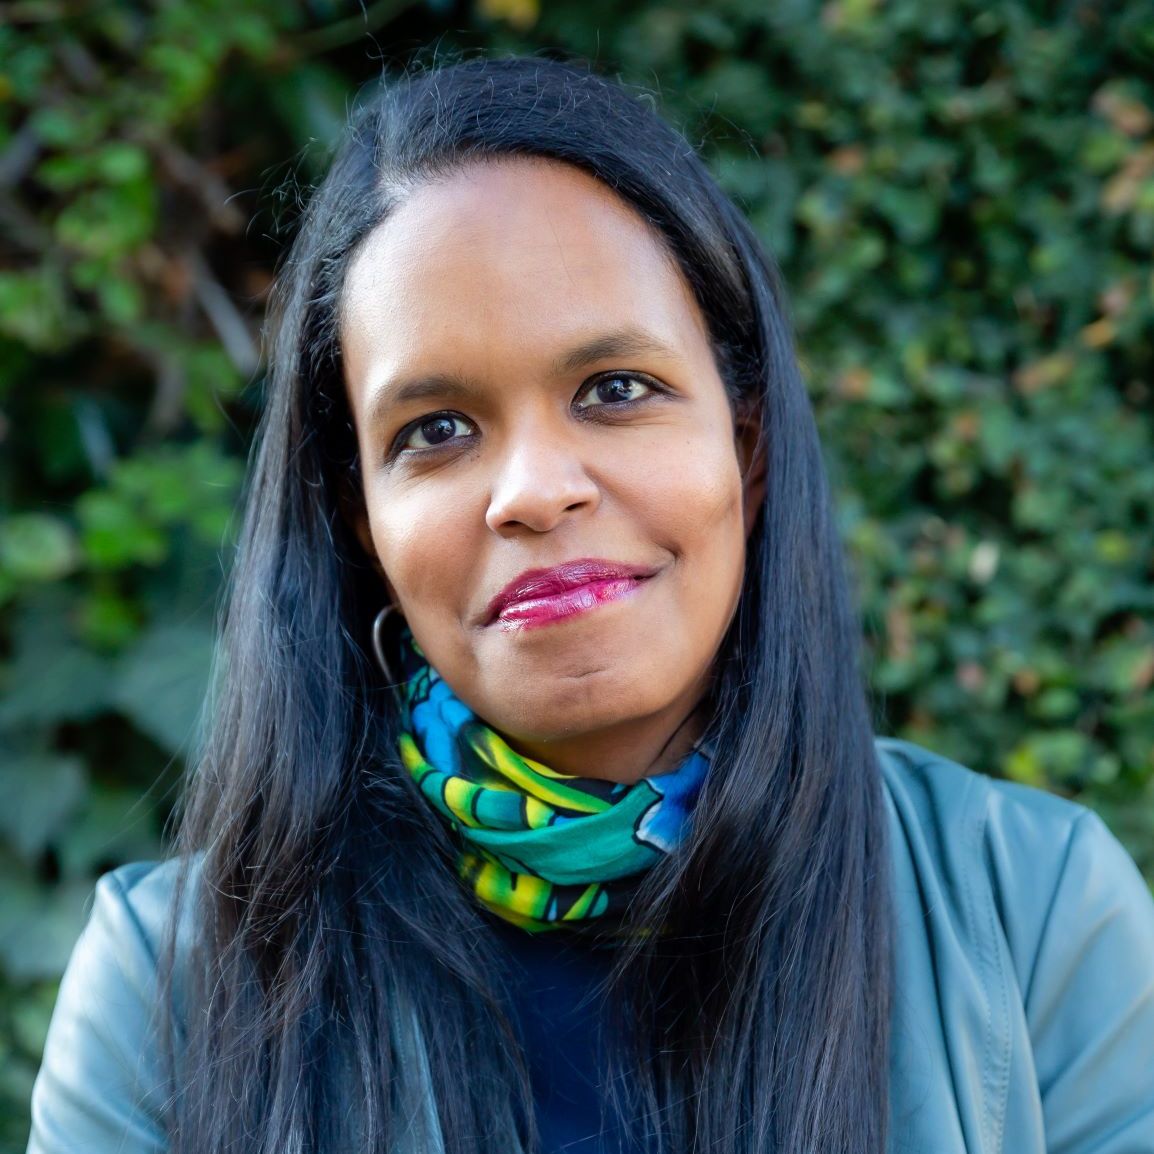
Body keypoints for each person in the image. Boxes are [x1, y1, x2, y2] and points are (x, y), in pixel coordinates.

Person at [26, 56, 1154, 1154]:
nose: (532, 489)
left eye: (615, 390)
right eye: (435, 430)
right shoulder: (168, 993)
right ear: (360, 520)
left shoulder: (1033, 913)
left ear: (747, 447)